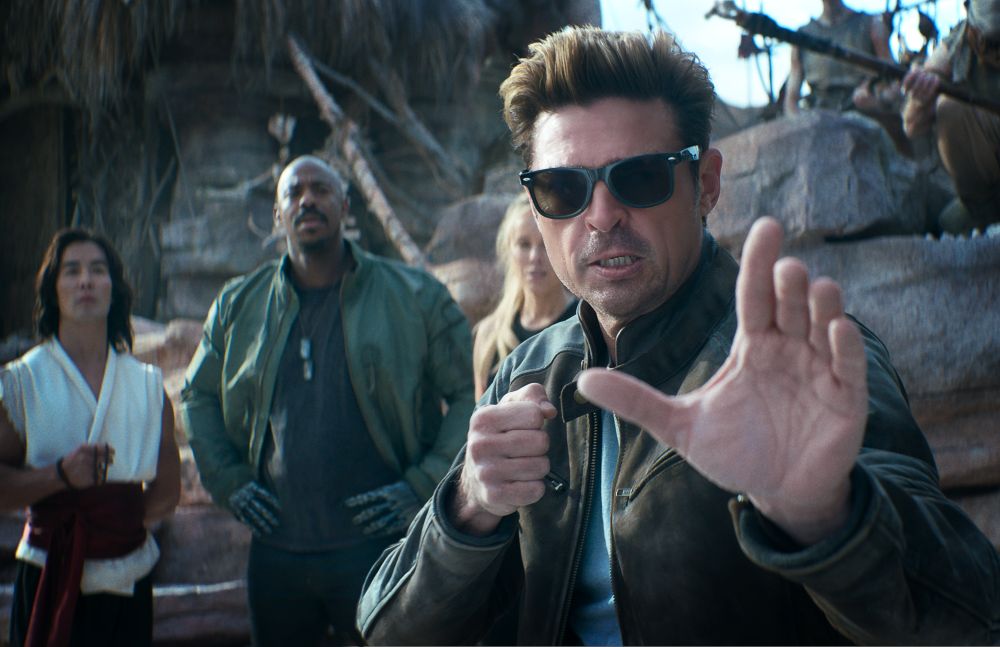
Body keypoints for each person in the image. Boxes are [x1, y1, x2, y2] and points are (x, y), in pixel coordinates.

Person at [357, 26, 1000, 645]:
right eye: (562, 187)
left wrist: (825, 517)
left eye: (640, 177)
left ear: (707, 184)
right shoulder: (526, 374)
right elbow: (386, 630)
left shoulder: (804, 362)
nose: (601, 216)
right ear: (535, 207)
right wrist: (467, 509)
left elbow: (972, 619)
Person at [180, 155, 474, 646]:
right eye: (294, 193)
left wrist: (422, 483)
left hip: (381, 545)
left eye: (320, 189)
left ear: (345, 205)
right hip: (277, 553)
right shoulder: (239, 304)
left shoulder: (414, 295)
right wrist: (229, 480)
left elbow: (469, 394)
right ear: (278, 214)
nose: (307, 200)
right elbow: (196, 395)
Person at [0, 228, 181, 647]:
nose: (86, 281)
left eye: (98, 270)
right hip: (46, 574)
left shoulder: (148, 387)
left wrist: (113, 525)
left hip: (127, 581)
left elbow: (167, 493)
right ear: (54, 288)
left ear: (113, 290)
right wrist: (60, 476)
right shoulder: (23, 382)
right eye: (72, 271)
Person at [902, 0, 1000, 233]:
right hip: (986, 195)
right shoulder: (960, 40)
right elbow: (912, 125)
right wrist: (919, 97)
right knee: (950, 108)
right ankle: (983, 214)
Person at [473, 193, 577, 398]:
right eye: (524, 244)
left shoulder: (586, 325)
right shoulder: (489, 334)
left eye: (545, 243)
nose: (534, 257)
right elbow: (480, 412)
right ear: (508, 249)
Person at [785, 0, 895, 115]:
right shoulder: (803, 37)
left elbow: (894, 84)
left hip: (863, 116)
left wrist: (876, 102)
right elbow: (791, 101)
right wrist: (798, 121)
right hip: (819, 117)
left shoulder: (872, 25)